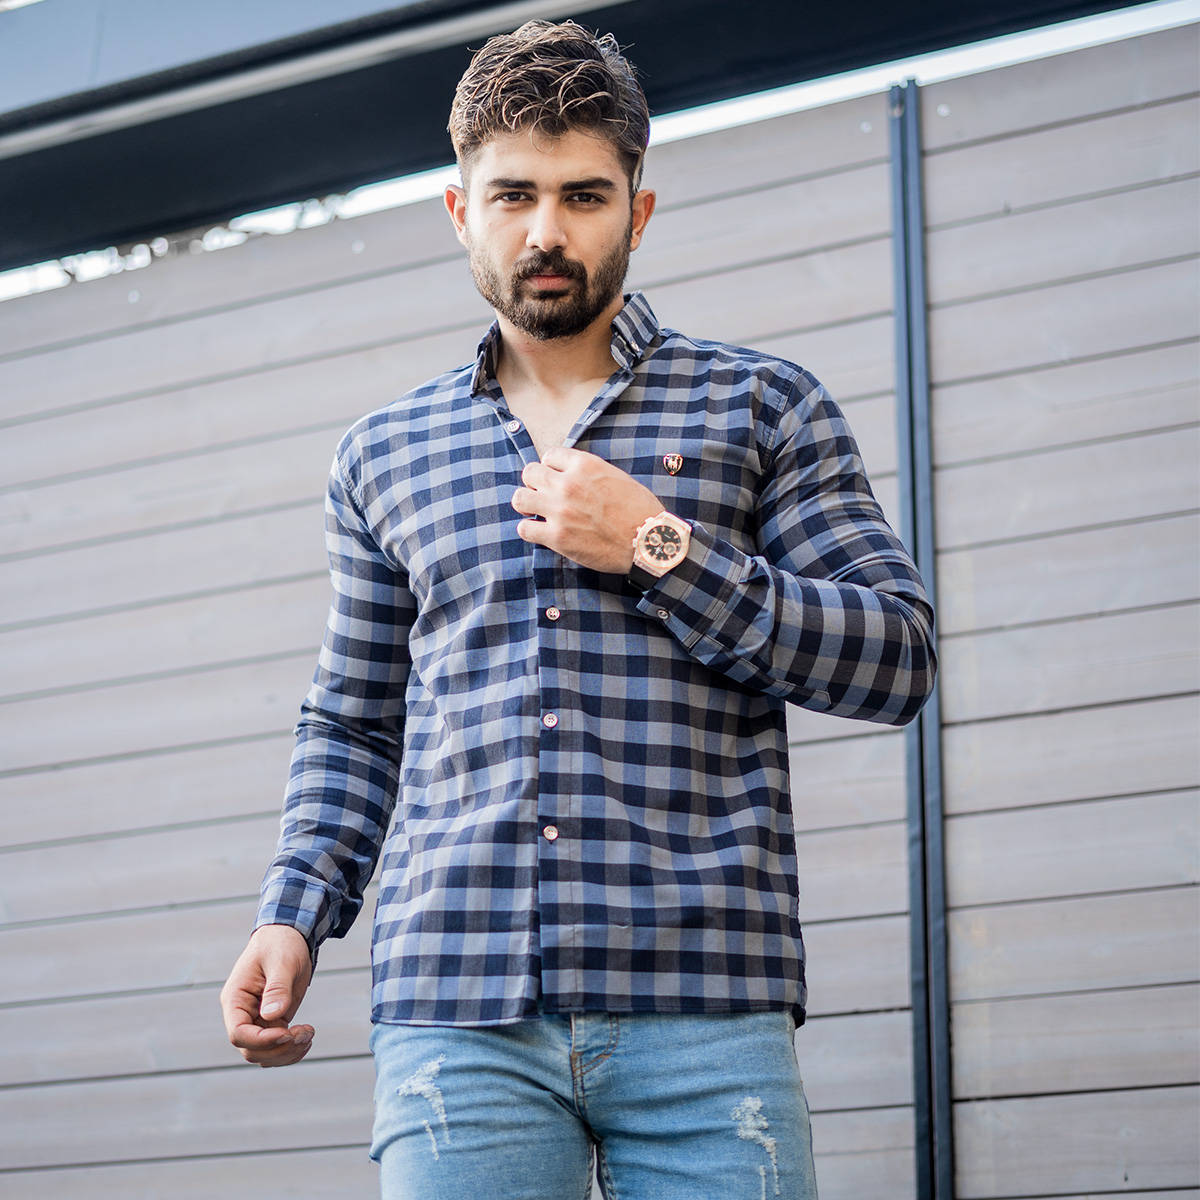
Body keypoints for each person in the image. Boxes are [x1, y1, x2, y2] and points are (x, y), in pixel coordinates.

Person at [220, 19, 935, 1199]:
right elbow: (353, 721)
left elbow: (897, 658)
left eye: (583, 196)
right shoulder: (383, 453)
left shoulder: (764, 406)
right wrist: (292, 912)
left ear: (637, 213)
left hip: (706, 1008)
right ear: (461, 212)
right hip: (457, 1015)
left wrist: (660, 547)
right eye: (513, 196)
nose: (546, 231)